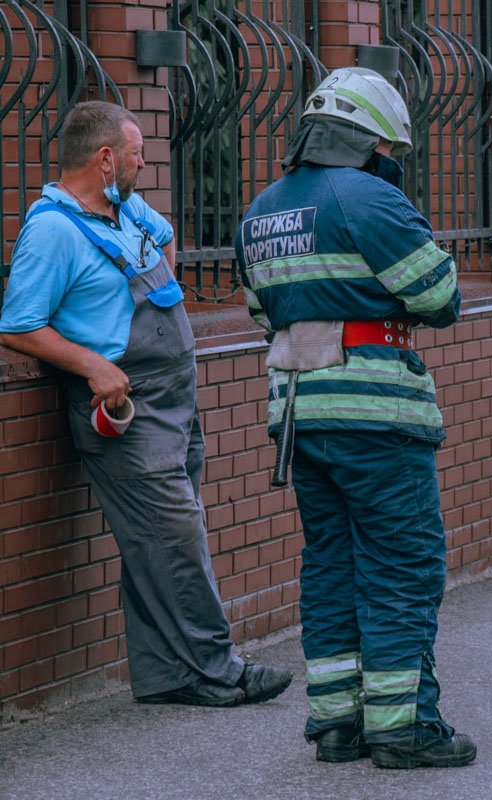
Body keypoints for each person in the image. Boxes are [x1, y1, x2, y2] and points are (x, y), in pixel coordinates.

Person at [0, 102, 292, 708]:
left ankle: (166, 676)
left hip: (175, 397)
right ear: (105, 159)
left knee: (153, 539)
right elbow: (19, 325)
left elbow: (164, 240)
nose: (144, 162)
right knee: (174, 537)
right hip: (125, 408)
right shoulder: (51, 230)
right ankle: (218, 669)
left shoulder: (124, 208)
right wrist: (95, 364)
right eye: (136, 153)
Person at [234, 68, 473, 769]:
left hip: (299, 414)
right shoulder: (372, 198)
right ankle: (404, 726)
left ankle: (335, 723)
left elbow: (259, 311)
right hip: (376, 413)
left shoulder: (261, 211)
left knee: (331, 563)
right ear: (369, 140)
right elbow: (440, 295)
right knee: (402, 565)